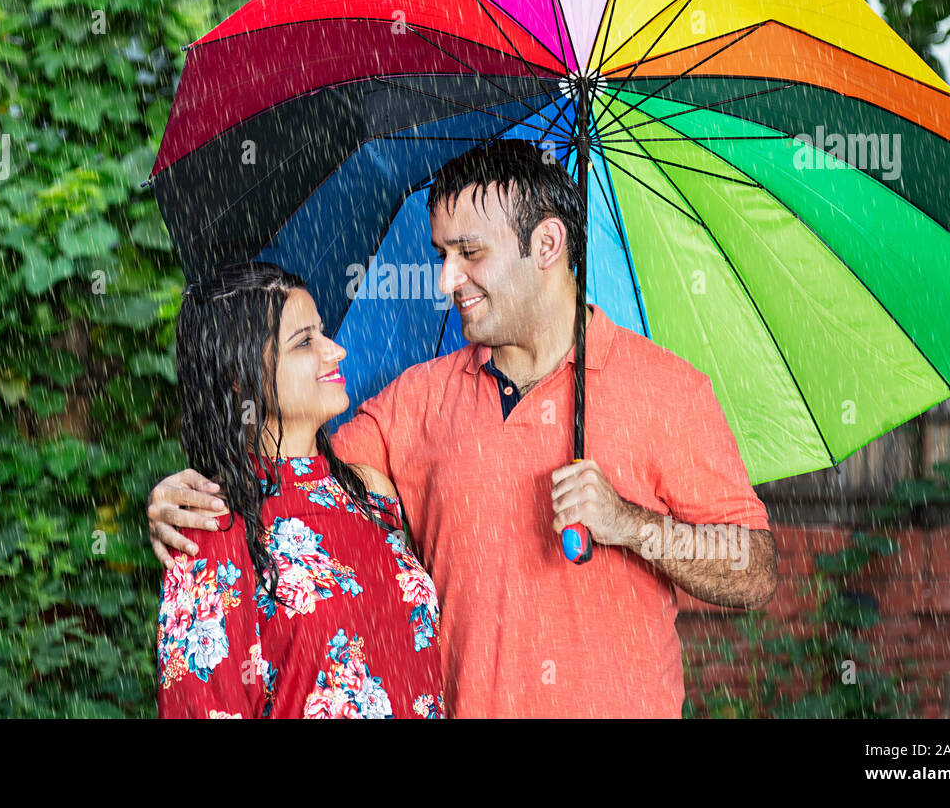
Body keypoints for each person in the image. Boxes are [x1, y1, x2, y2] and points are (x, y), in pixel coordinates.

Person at [149, 139, 778, 718]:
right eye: (441, 255)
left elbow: (754, 571)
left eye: (470, 253)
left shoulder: (669, 390)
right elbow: (290, 484)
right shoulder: (414, 403)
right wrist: (187, 497)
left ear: (547, 245)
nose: (448, 280)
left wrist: (629, 524)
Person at [157, 260, 443, 718]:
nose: (336, 352)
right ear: (239, 375)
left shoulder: (374, 497)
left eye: (323, 333)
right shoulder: (212, 529)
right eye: (305, 342)